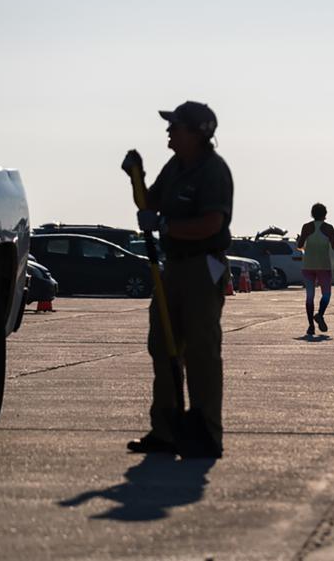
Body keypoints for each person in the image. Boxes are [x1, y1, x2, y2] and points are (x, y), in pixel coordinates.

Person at [122, 100, 233, 458]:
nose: (169, 131)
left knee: (200, 351)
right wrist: (135, 177)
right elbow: (149, 204)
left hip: (202, 267)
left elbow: (212, 223)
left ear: (198, 134)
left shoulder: (213, 171)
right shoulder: (175, 166)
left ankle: (205, 433)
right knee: (163, 346)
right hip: (172, 267)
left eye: (176, 126)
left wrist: (167, 226)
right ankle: (166, 431)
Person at [297, 203, 334, 336]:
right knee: (326, 294)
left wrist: (302, 241)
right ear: (325, 214)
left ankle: (310, 326)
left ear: (312, 213)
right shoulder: (329, 228)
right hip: (324, 266)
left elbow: (300, 245)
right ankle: (320, 314)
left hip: (308, 266)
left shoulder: (306, 227)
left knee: (310, 296)